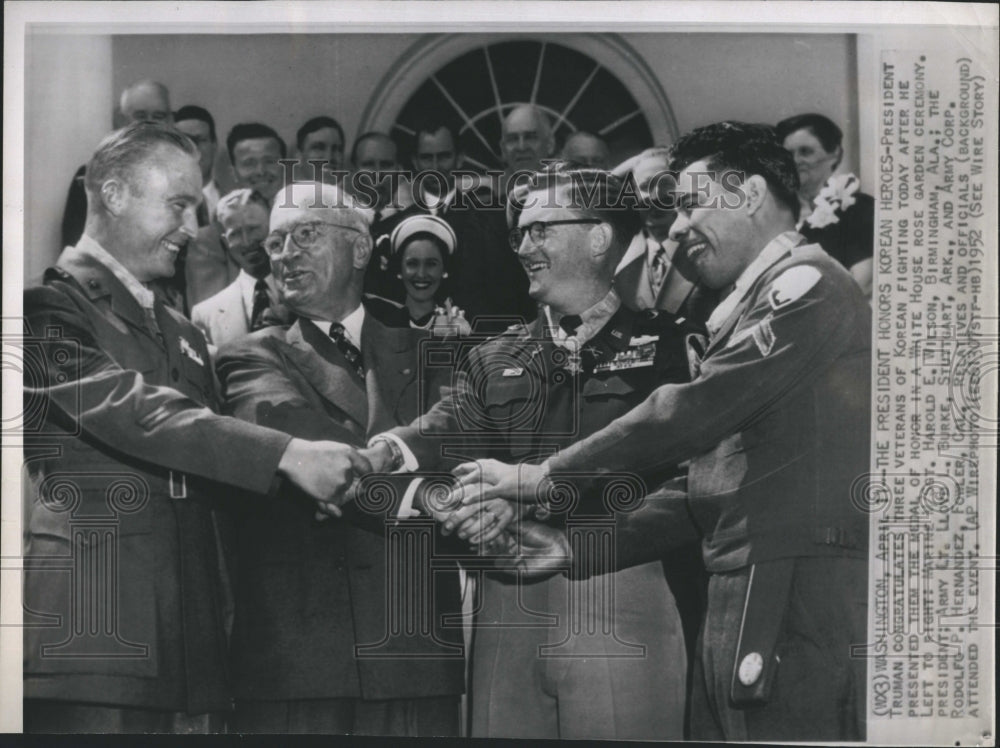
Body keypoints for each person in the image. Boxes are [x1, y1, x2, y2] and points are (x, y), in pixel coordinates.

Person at [456, 122, 872, 743]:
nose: (675, 227)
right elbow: (701, 483)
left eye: (689, 202)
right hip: (744, 580)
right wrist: (574, 549)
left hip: (790, 589)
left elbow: (696, 409)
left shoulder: (808, 286)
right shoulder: (751, 307)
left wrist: (542, 477)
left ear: (749, 193)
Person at [22, 123, 376, 734]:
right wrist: (288, 455)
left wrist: (307, 485)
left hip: (194, 644)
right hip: (96, 631)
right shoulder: (45, 308)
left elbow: (214, 453)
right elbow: (136, 411)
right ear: (112, 194)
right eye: (178, 204)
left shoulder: (183, 332)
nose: (192, 226)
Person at [361, 167, 689, 740]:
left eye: (540, 229)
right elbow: (448, 434)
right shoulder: (496, 355)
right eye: (519, 233)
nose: (523, 247)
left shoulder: (668, 349)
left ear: (597, 236)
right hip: (506, 602)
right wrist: (399, 464)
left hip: (615, 588)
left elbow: (681, 479)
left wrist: (545, 508)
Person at [213, 181, 465, 736]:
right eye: (276, 242)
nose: (284, 254)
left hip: (414, 653)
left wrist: (382, 454)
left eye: (305, 235)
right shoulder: (248, 356)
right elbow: (299, 442)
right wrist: (430, 488)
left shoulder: (429, 351)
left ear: (359, 249)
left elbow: (461, 434)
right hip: (299, 658)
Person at [366, 122, 533, 332]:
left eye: (444, 156)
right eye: (427, 158)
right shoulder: (391, 229)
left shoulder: (491, 223)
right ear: (415, 162)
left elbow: (510, 294)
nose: (435, 167)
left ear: (460, 158)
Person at [60, 79, 173, 250]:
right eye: (140, 116)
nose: (150, 123)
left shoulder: (182, 176)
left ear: (170, 121)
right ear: (121, 120)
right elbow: (76, 251)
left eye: (159, 116)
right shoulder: (92, 177)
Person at [185, 123, 287, 309]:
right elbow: (214, 318)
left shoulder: (303, 225)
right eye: (249, 163)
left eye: (270, 161)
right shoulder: (208, 241)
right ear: (233, 171)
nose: (261, 171)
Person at [775, 113, 874, 297]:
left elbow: (863, 283)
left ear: (834, 153)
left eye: (806, 152)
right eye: (788, 155)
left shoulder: (858, 209)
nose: (795, 161)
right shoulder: (779, 215)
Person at [191, 188, 289, 350]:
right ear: (224, 243)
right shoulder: (206, 315)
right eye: (235, 234)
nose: (247, 241)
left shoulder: (309, 291)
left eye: (253, 229)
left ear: (273, 229)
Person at [364, 213, 470, 334]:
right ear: (399, 270)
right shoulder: (380, 322)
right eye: (412, 264)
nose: (421, 274)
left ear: (445, 270)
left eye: (431, 264)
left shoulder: (457, 323)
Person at [174, 105, 222, 223]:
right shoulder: (158, 203)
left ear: (214, 145)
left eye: (200, 140)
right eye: (184, 141)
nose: (193, 148)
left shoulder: (234, 199)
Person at [499, 104, 556, 196]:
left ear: (550, 144)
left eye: (530, 138)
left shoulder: (570, 201)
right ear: (503, 150)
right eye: (512, 139)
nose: (521, 147)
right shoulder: (488, 205)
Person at [295, 115, 346, 185]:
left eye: (336, 149)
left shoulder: (349, 196)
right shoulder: (286, 195)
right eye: (319, 148)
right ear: (299, 156)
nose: (328, 158)